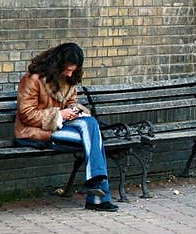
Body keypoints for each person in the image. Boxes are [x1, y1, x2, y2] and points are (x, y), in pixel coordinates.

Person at [14, 42, 119, 212]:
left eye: (73, 70)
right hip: (34, 132)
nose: (70, 74)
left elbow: (71, 102)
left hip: (60, 128)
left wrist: (74, 111)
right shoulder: (33, 79)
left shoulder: (68, 79)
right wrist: (58, 115)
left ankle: (95, 182)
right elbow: (26, 114)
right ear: (57, 64)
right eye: (68, 70)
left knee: (90, 125)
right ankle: (98, 193)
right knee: (93, 138)